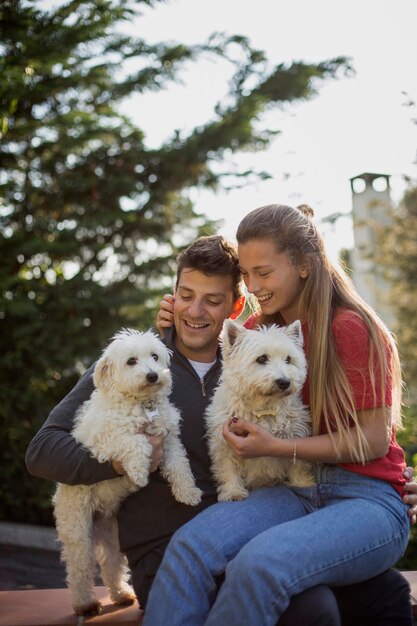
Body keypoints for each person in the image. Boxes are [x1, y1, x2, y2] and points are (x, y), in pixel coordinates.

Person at [26, 234, 414, 625]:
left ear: (238, 307)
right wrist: (118, 463)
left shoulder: (255, 358)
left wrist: (388, 480)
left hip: (258, 524)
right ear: (172, 296)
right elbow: (42, 450)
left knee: (383, 592)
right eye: (185, 295)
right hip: (166, 550)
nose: (195, 311)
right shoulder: (133, 364)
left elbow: (339, 428)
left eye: (212, 301)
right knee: (312, 606)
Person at [142, 204, 414, 626]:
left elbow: (374, 441)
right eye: (247, 274)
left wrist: (278, 447)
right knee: (191, 547)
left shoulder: (351, 328)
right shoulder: (261, 326)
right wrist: (173, 322)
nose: (252, 285)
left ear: (303, 265)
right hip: (294, 489)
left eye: (263, 273)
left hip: (364, 497)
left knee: (260, 565)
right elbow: (214, 336)